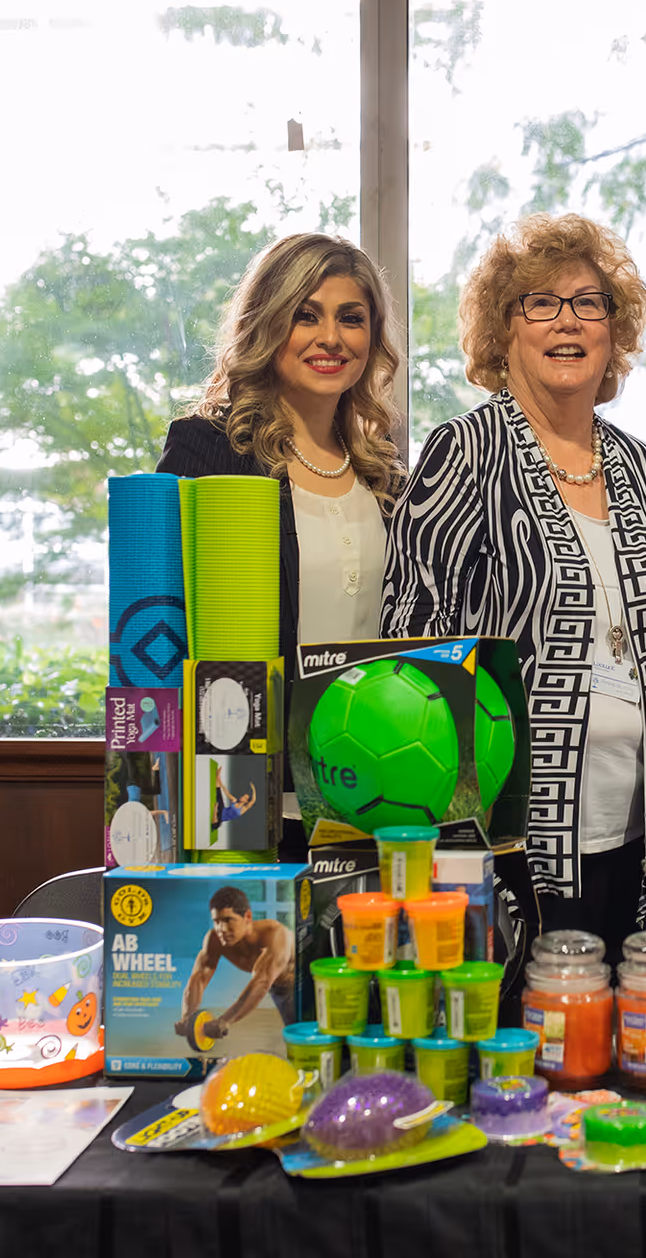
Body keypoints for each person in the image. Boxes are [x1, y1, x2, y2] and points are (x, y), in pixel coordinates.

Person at [381, 213, 646, 962]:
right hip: (512, 844)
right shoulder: (466, 452)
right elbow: (409, 647)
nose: (568, 322)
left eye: (590, 303)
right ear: (503, 330)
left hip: (643, 835)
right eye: (540, 304)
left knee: (627, 1049)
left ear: (613, 333)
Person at [158, 234, 405, 857]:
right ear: (267, 324)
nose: (331, 338)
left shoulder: (387, 474)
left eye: (352, 318)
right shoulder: (208, 449)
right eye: (306, 314)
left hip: (371, 791)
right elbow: (161, 624)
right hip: (243, 793)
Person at [173, 886, 299, 1041]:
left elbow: (261, 981)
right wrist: (188, 1018)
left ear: (247, 916)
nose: (221, 929)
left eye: (228, 920)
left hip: (303, 984)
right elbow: (198, 978)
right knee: (295, 1039)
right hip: (278, 990)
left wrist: (225, 1020)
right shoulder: (214, 941)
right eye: (216, 921)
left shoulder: (275, 935)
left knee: (306, 1036)